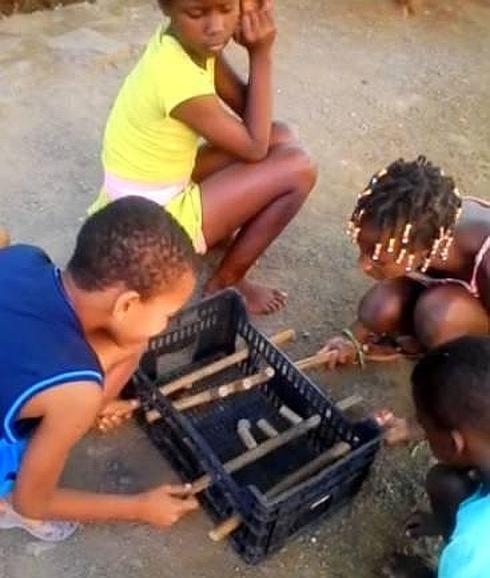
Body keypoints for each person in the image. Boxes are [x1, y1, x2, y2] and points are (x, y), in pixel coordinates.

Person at [89, 0, 317, 315]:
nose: (215, 27)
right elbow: (254, 146)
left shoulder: (189, 42)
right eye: (197, 14)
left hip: (156, 185)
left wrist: (248, 18)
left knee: (282, 136)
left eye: (226, 9)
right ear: (165, 7)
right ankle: (226, 281)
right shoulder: (175, 74)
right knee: (299, 169)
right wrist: (261, 54)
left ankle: (216, 231)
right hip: (148, 223)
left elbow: (249, 114)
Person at [0, 197, 198, 541]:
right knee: (82, 389)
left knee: (130, 346)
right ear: (128, 303)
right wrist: (140, 507)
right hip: (52, 419)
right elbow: (31, 502)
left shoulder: (24, 257)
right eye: (167, 315)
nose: (166, 326)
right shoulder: (76, 390)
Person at [320, 156, 489, 369]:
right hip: (451, 292)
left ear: (427, 250)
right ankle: (423, 339)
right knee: (379, 308)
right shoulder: (424, 224)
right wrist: (351, 340)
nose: (363, 265)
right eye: (363, 251)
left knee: (439, 316)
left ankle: (451, 353)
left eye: (377, 258)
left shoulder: (482, 253)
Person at [382, 336, 490, 578]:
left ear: (453, 444)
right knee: (445, 484)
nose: (423, 433)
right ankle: (450, 527)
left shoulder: (474, 557)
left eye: (424, 427)